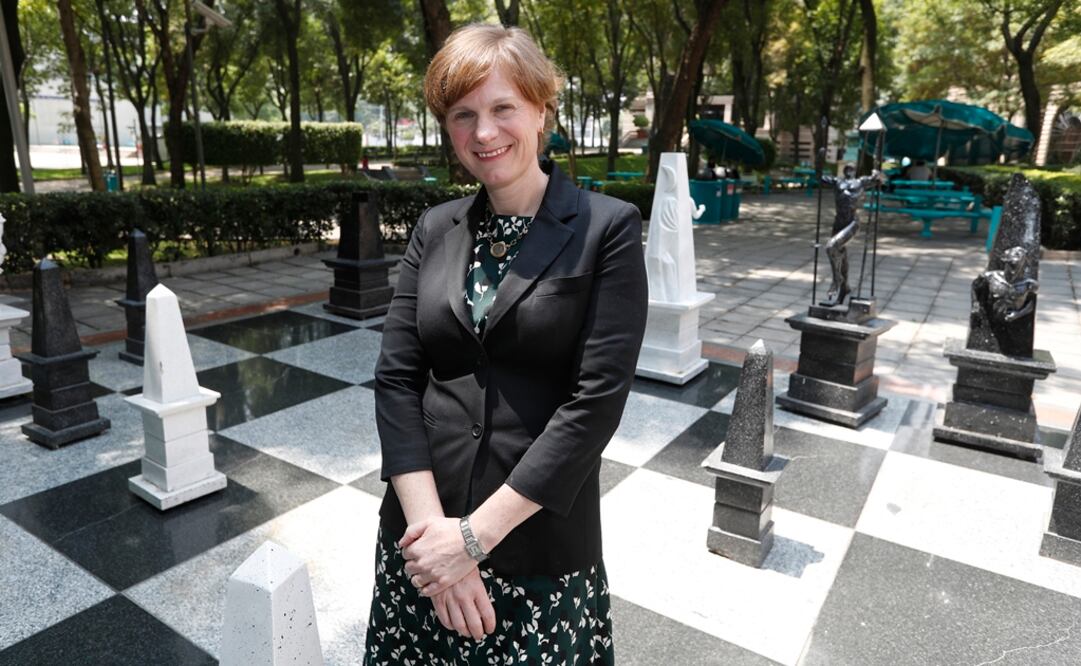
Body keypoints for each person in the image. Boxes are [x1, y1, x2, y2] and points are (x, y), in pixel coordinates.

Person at [364, 23, 648, 664]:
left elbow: (595, 403)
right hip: (419, 542)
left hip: (535, 547)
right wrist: (434, 538)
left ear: (542, 110)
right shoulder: (435, 228)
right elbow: (397, 379)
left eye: (502, 109)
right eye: (464, 115)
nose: (484, 133)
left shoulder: (608, 229)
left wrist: (470, 542)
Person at [819, 165, 882, 306]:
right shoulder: (837, 182)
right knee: (840, 254)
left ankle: (837, 279)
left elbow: (878, 180)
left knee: (830, 247)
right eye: (846, 168)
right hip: (838, 222)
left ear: (855, 171)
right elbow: (820, 177)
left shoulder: (860, 182)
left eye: (852, 168)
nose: (849, 170)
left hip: (852, 223)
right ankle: (844, 289)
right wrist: (819, 161)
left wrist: (876, 173)